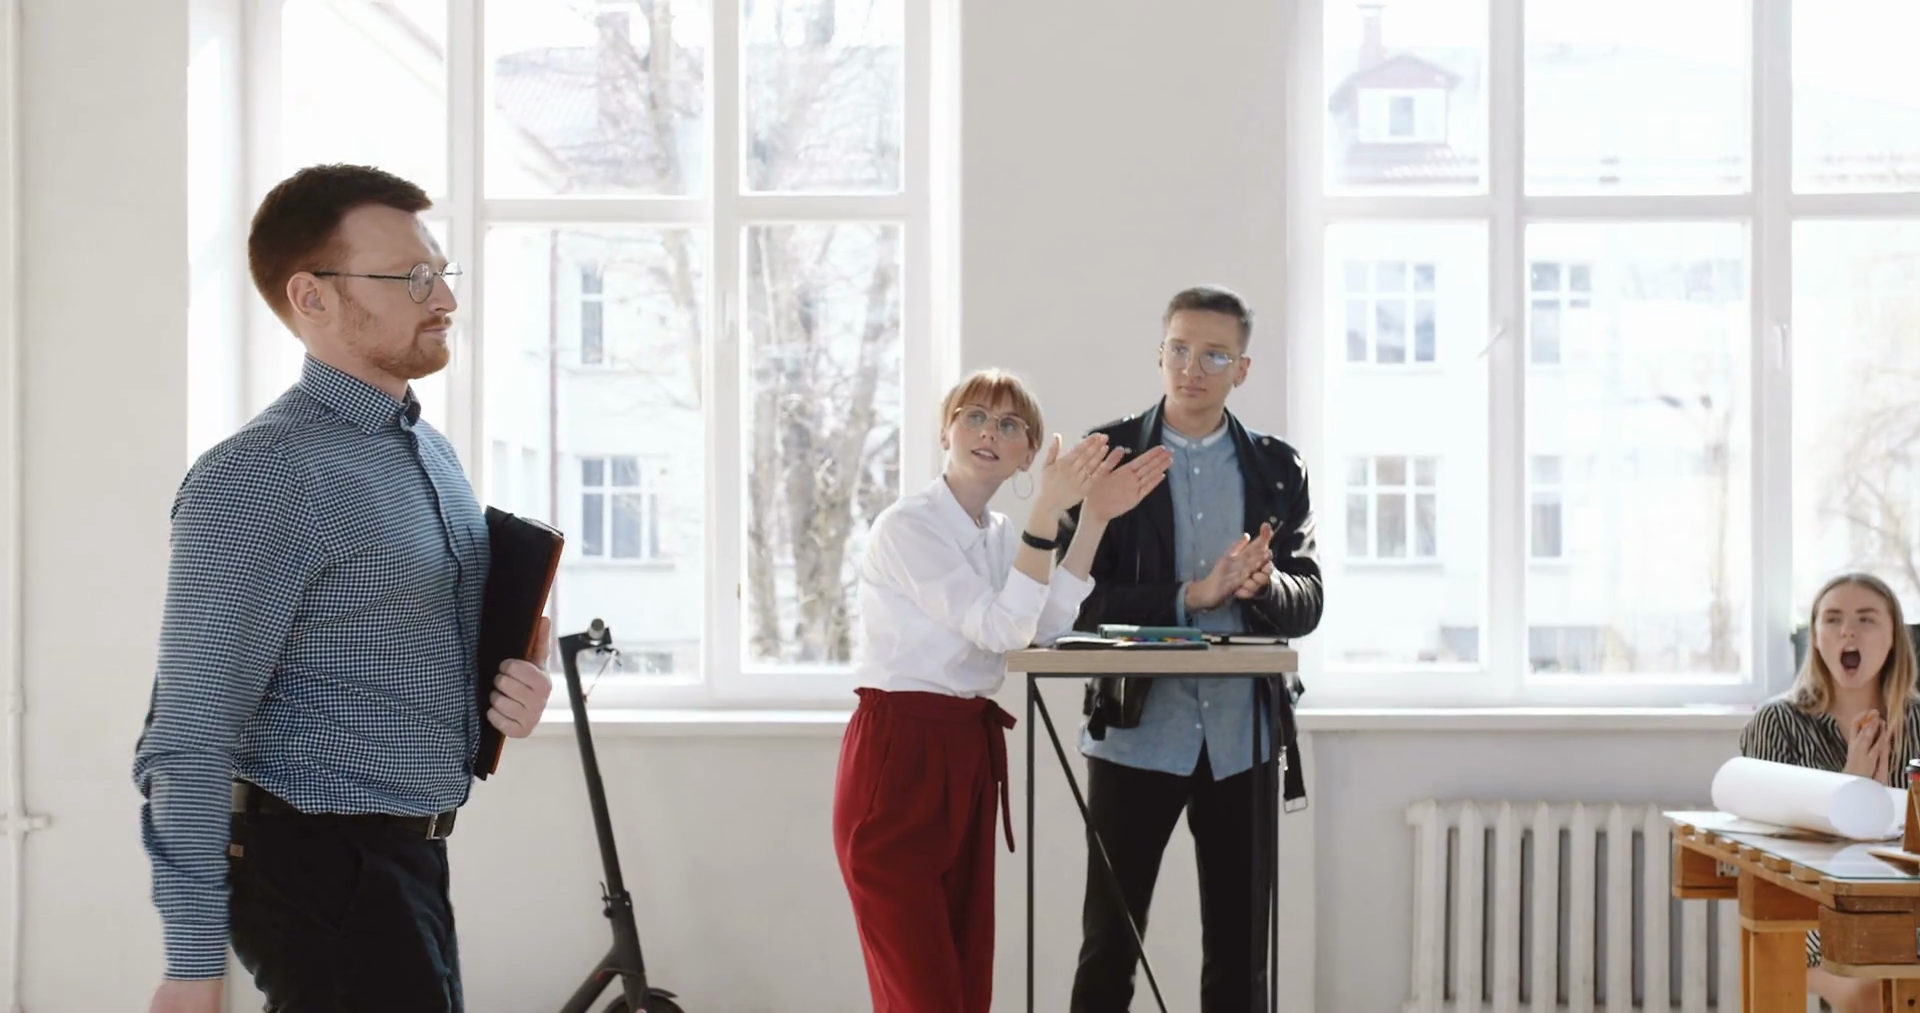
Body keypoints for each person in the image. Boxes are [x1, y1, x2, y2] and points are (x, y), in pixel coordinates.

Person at [133, 163, 555, 1013]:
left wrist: (515, 685)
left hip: (412, 859)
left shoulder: (428, 453)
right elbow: (185, 735)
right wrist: (191, 965)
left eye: (441, 273)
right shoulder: (258, 477)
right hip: (315, 865)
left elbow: (419, 644)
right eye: (412, 278)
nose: (445, 300)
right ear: (312, 297)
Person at [832, 368, 1174, 1013]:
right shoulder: (907, 527)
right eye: (975, 415)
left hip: (965, 753)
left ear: (1028, 454)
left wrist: (1093, 517)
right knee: (924, 995)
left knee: (964, 987)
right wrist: (1047, 513)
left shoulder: (999, 538)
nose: (990, 431)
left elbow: (1039, 628)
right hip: (898, 753)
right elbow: (997, 628)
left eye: (1011, 424)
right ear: (946, 430)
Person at [1058, 285, 1323, 1013]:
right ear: (1159, 352)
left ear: (1242, 368)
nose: (1192, 366)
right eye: (1179, 348)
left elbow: (1310, 601)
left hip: (1244, 737)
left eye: (1214, 353)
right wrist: (1190, 597)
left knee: (1240, 961)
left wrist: (1263, 587)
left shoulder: (1278, 469)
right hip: (1135, 733)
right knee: (1109, 946)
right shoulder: (1108, 456)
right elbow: (1074, 597)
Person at [1739, 571, 1920, 1013]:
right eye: (1833, 619)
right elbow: (1765, 851)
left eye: (1866, 618)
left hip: (1908, 910)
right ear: (1816, 637)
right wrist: (1848, 796)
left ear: (1894, 636)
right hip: (1807, 911)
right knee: (1872, 996)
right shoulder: (1776, 723)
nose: (1848, 630)